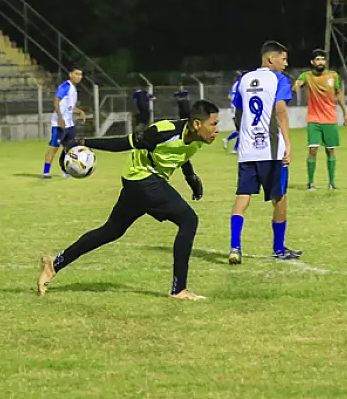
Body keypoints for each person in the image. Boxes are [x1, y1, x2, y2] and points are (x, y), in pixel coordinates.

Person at [37, 100, 221, 300]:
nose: (217, 130)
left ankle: (54, 264)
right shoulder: (163, 131)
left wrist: (190, 177)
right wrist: (83, 142)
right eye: (213, 124)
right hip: (143, 180)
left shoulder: (198, 138)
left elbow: (182, 154)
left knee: (110, 231)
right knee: (188, 220)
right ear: (197, 124)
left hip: (138, 181)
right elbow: (123, 143)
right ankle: (179, 289)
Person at [229, 41, 302, 264]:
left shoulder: (243, 80)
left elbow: (238, 114)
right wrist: (288, 144)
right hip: (271, 152)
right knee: (280, 198)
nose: (286, 64)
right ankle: (279, 249)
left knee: (243, 196)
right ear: (271, 58)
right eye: (283, 59)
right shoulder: (279, 80)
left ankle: (235, 247)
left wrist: (244, 135)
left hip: (247, 151)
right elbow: (280, 111)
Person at [292, 49, 347, 190]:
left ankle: (332, 183)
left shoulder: (333, 76)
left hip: (330, 119)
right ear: (312, 62)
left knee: (330, 150)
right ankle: (310, 183)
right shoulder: (307, 76)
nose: (320, 62)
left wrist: (345, 113)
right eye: (317, 59)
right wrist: (296, 86)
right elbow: (298, 83)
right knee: (313, 150)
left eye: (322, 59)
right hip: (314, 119)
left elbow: (339, 93)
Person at [41, 67, 87, 179]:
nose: (79, 77)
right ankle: (45, 172)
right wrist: (60, 118)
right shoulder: (65, 86)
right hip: (59, 124)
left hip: (69, 124)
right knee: (54, 147)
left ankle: (66, 171)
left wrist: (80, 112)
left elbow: (69, 107)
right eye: (76, 74)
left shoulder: (73, 89)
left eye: (80, 74)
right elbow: (56, 101)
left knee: (70, 148)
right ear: (70, 74)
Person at [221, 73, 242, 153]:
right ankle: (235, 148)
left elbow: (229, 96)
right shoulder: (240, 84)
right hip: (237, 112)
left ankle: (228, 140)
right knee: (241, 131)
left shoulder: (235, 85)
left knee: (240, 131)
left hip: (235, 112)